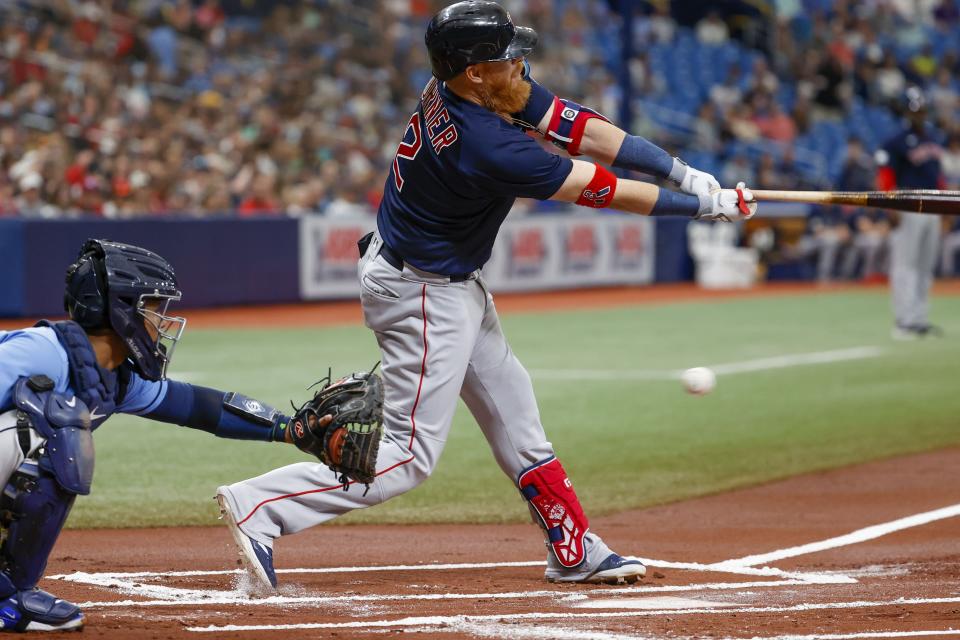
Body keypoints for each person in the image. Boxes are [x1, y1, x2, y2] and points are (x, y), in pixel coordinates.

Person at [216, 0, 756, 590]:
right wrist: (701, 206)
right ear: (475, 70)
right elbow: (598, 187)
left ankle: (574, 549)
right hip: (421, 291)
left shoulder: (475, 88)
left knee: (516, 414)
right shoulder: (486, 144)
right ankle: (259, 507)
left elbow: (581, 127)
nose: (520, 65)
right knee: (404, 458)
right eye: (508, 57)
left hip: (442, 280)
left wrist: (679, 171)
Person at [0, 239, 325, 632]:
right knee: (51, 440)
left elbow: (197, 407)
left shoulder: (113, 376)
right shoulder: (42, 352)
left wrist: (290, 429)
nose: (161, 321)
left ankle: (11, 591)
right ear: (120, 309)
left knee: (57, 439)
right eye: (153, 307)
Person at [876, 87, 945, 339]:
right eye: (915, 110)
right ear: (906, 111)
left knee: (925, 265)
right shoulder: (895, 140)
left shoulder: (932, 139)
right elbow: (885, 176)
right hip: (908, 204)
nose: (920, 114)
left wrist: (946, 210)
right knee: (905, 264)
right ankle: (904, 321)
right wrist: (890, 205)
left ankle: (920, 318)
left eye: (922, 110)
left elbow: (938, 178)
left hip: (933, 206)